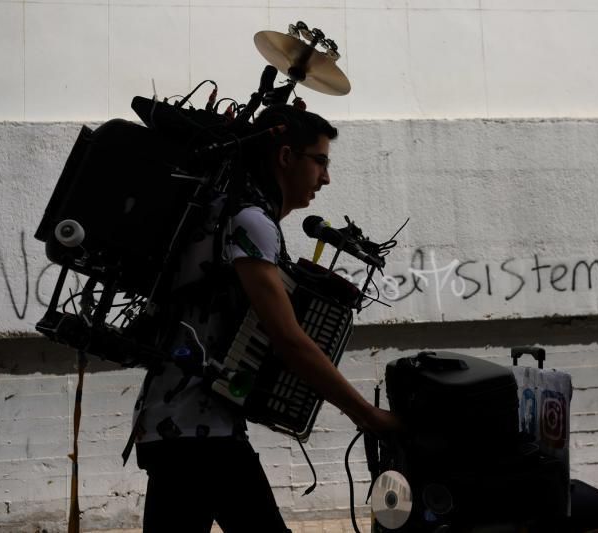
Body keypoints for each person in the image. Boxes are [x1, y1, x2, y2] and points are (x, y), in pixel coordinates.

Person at [130, 104, 400, 532]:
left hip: (178, 428)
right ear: (286, 157)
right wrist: (367, 415)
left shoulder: (229, 213)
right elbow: (288, 339)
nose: (325, 178)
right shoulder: (250, 221)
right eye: (320, 162)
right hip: (198, 433)